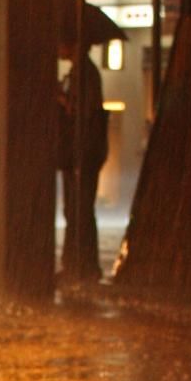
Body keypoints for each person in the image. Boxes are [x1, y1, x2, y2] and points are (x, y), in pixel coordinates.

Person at [56, 44, 109, 281]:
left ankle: (82, 265)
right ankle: (77, 264)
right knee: (75, 208)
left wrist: (62, 99)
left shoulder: (85, 73)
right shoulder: (80, 72)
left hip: (83, 150)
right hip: (79, 150)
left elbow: (82, 111)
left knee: (79, 208)